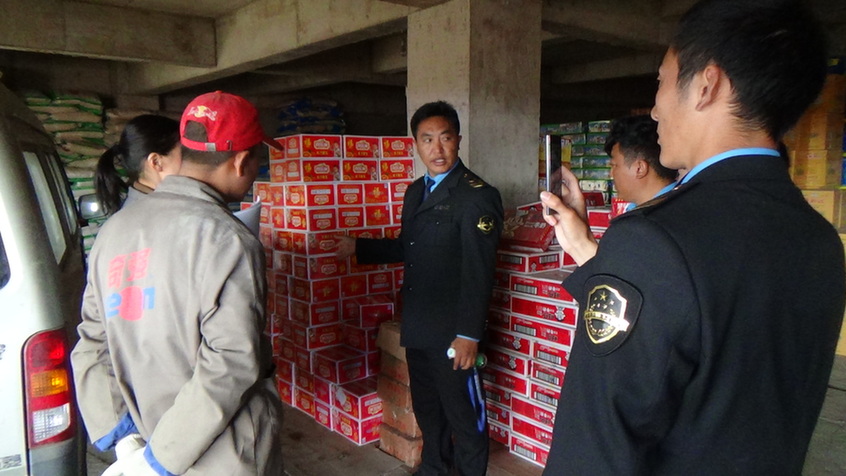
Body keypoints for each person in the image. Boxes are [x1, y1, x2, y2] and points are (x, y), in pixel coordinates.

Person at [539, 1, 846, 474]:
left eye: (661, 81)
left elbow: (593, 449)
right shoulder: (819, 239)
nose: (655, 107)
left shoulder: (653, 238)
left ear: (707, 85)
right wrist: (590, 252)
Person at [71, 91, 284, 476]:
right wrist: (159, 461)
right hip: (224, 456)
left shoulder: (113, 231)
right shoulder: (228, 239)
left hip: (145, 434)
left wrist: (125, 439)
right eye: (257, 160)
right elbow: (232, 361)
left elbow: (92, 341)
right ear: (241, 161)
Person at [335, 100, 503, 476]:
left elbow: (480, 271)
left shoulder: (476, 196)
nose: (437, 149)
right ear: (416, 145)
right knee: (428, 409)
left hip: (454, 332)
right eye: (427, 140)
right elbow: (407, 246)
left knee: (465, 416)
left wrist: (469, 334)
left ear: (458, 140)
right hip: (419, 324)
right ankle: (434, 469)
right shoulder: (416, 192)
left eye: (445, 138)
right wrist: (358, 246)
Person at [94, 114, 182, 215]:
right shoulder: (161, 213)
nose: (189, 161)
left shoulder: (151, 203)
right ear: (156, 162)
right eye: (184, 154)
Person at [605, 114, 678, 212]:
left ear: (640, 168)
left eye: (614, 165)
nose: (611, 174)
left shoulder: (662, 214)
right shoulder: (684, 200)